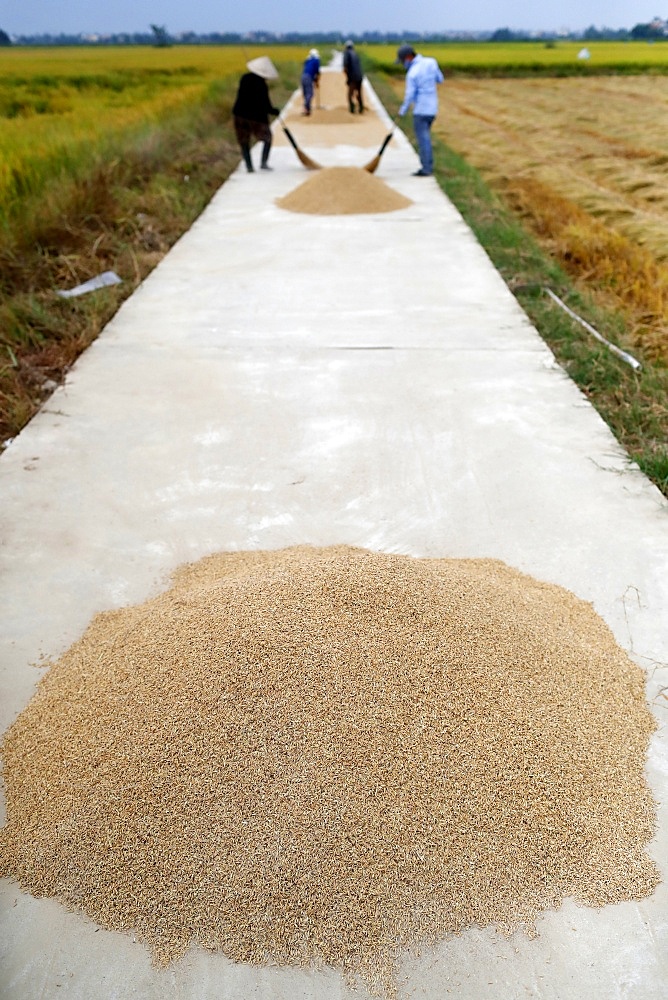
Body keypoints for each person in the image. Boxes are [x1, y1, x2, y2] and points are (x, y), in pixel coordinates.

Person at [396, 44, 444, 177]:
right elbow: (440, 79)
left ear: (408, 57)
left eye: (402, 61)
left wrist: (402, 111)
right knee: (426, 136)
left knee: (423, 139)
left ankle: (427, 168)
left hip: (421, 109)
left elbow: (409, 95)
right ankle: (428, 164)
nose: (403, 64)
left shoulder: (412, 73)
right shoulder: (431, 62)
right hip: (432, 109)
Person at [232, 56, 280, 173]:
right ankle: (263, 163)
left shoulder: (244, 78)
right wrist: (274, 111)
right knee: (267, 138)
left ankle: (249, 166)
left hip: (239, 114)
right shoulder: (261, 84)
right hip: (255, 117)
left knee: (244, 141)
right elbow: (265, 104)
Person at [343, 40, 364, 114]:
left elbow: (345, 67)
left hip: (353, 77)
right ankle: (361, 107)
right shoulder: (355, 53)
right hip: (360, 76)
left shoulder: (346, 53)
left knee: (350, 94)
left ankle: (352, 108)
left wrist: (348, 78)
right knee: (359, 93)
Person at [301, 48, 320, 116]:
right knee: (310, 94)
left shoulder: (307, 60)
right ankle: (306, 108)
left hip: (303, 77)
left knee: (306, 94)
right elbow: (317, 72)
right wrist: (317, 82)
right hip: (308, 77)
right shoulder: (316, 60)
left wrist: (315, 81)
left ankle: (307, 108)